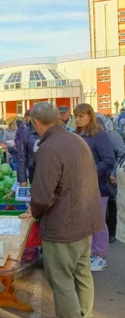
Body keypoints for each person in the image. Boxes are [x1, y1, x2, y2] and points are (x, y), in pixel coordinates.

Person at [29, 102, 104, 318]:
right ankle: (86, 314)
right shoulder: (78, 139)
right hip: (85, 221)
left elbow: (43, 197)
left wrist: (34, 212)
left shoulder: (49, 147)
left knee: (62, 283)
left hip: (63, 228)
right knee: (83, 275)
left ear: (36, 123)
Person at [74, 103, 115, 271]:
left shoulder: (100, 135)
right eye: (76, 116)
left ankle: (101, 256)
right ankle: (90, 253)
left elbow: (108, 160)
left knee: (98, 222)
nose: (78, 119)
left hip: (98, 187)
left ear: (90, 116)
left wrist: (90, 174)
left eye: (81, 116)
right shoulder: (76, 135)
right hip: (79, 187)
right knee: (86, 222)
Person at [97, 113, 125, 243]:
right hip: (103, 175)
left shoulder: (112, 135)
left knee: (112, 205)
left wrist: (114, 173)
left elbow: (121, 153)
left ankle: (113, 233)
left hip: (112, 176)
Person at [18, 112, 40, 187]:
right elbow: (22, 156)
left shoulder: (50, 130)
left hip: (51, 175)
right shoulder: (26, 132)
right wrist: (22, 179)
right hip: (33, 174)